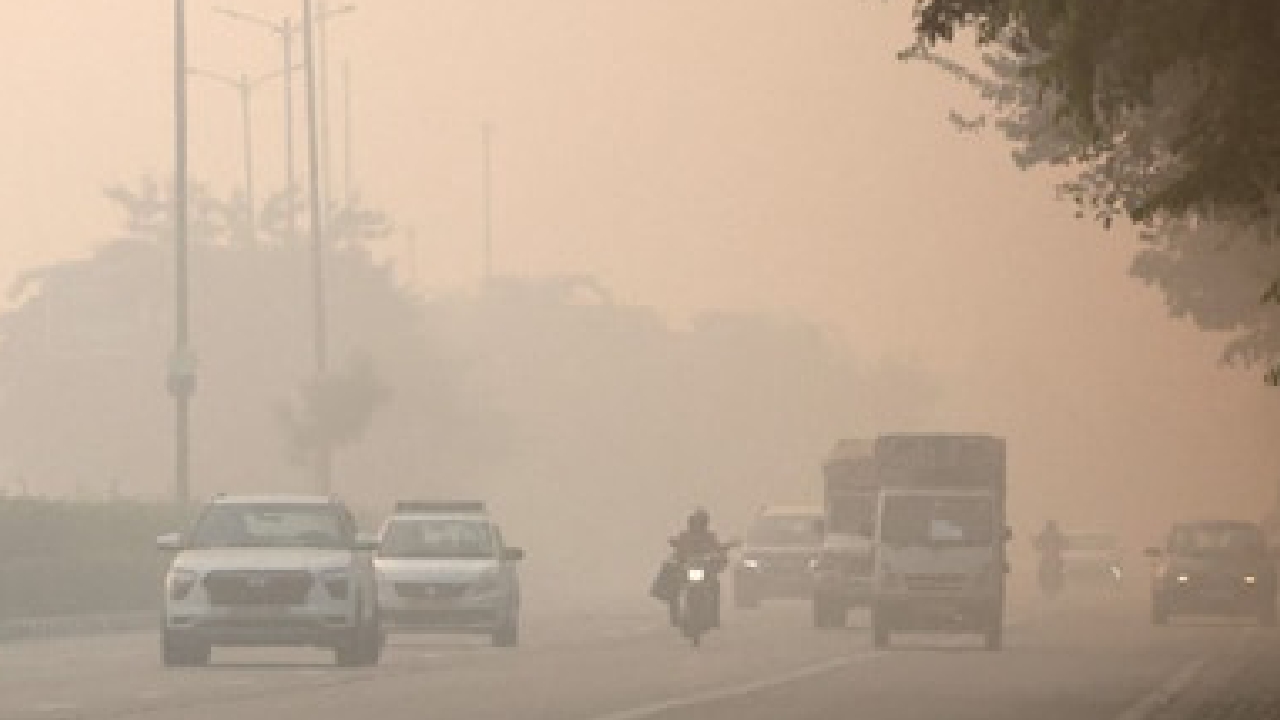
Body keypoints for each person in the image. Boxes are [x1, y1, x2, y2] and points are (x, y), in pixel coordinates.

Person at [666, 508, 728, 627]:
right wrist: (675, 560)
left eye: (702, 522)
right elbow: (677, 551)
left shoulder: (710, 536)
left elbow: (718, 550)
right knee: (673, 587)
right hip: (687, 569)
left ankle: (714, 616)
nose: (698, 525)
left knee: (715, 586)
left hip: (705, 570)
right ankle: (674, 616)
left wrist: (720, 557)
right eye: (696, 522)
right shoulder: (684, 536)